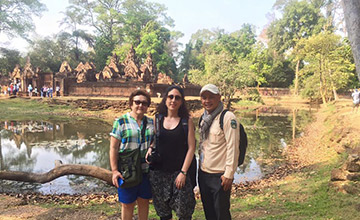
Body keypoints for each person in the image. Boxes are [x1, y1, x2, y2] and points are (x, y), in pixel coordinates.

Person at [146, 85, 196, 220]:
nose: (173, 100)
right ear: (165, 99)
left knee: (184, 213)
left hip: (179, 173)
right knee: (163, 213)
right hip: (159, 173)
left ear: (181, 102)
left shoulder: (187, 122)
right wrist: (150, 148)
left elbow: (192, 148)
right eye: (170, 97)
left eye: (177, 98)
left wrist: (183, 172)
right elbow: (156, 139)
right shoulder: (158, 119)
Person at [109, 89, 154, 220]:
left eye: (144, 103)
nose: (141, 105)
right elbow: (113, 147)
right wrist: (114, 170)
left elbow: (155, 142)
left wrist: (151, 147)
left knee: (144, 202)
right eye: (137, 102)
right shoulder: (121, 121)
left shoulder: (151, 123)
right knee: (127, 204)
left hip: (146, 170)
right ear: (131, 104)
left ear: (147, 106)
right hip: (127, 171)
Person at [198, 84, 240, 220]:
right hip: (204, 174)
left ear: (219, 98)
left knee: (221, 214)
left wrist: (229, 173)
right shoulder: (203, 118)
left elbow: (233, 146)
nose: (207, 101)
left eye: (211, 97)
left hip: (220, 176)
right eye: (204, 97)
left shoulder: (227, 117)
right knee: (209, 213)